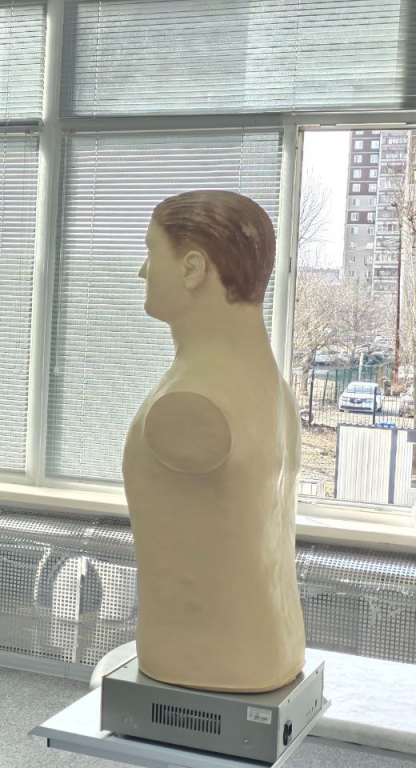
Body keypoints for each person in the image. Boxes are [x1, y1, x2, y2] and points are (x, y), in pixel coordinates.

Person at [122, 190, 306, 693]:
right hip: (272, 647)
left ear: (193, 269)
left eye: (151, 253)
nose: (142, 271)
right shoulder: (271, 389)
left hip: (204, 662)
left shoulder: (194, 402)